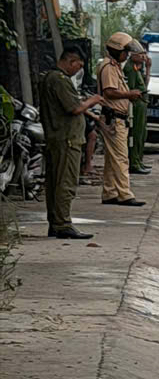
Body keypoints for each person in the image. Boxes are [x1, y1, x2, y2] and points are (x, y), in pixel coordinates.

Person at [38, 44, 106, 238]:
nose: (79, 70)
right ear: (70, 61)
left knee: (55, 182)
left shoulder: (48, 78)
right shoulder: (60, 80)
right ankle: (62, 223)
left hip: (57, 137)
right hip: (66, 139)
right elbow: (74, 108)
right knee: (65, 183)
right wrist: (92, 101)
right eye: (78, 65)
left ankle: (56, 221)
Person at [96, 32, 143, 206]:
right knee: (122, 158)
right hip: (113, 118)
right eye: (125, 52)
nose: (127, 55)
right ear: (118, 51)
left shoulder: (114, 66)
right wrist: (129, 93)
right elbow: (109, 92)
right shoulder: (109, 67)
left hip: (117, 117)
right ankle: (125, 194)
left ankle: (109, 192)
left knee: (112, 158)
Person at [126, 44, 152, 174]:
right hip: (136, 106)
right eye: (141, 54)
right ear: (133, 55)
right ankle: (134, 162)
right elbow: (131, 90)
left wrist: (148, 69)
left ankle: (139, 160)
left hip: (142, 104)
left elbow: (144, 85)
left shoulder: (137, 68)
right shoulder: (130, 68)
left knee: (142, 134)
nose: (144, 57)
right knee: (135, 135)